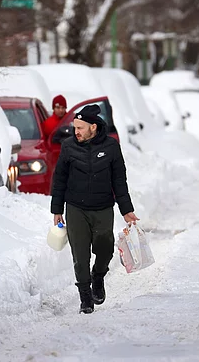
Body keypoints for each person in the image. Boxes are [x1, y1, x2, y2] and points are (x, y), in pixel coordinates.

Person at [51, 104, 139, 314]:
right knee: (80, 255)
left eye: (80, 128)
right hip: (75, 208)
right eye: (75, 127)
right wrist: (57, 209)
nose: (76, 132)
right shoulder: (69, 146)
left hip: (102, 208)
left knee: (105, 248)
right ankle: (85, 297)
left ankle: (98, 276)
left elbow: (119, 180)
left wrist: (126, 209)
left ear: (93, 127)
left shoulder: (111, 146)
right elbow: (59, 178)